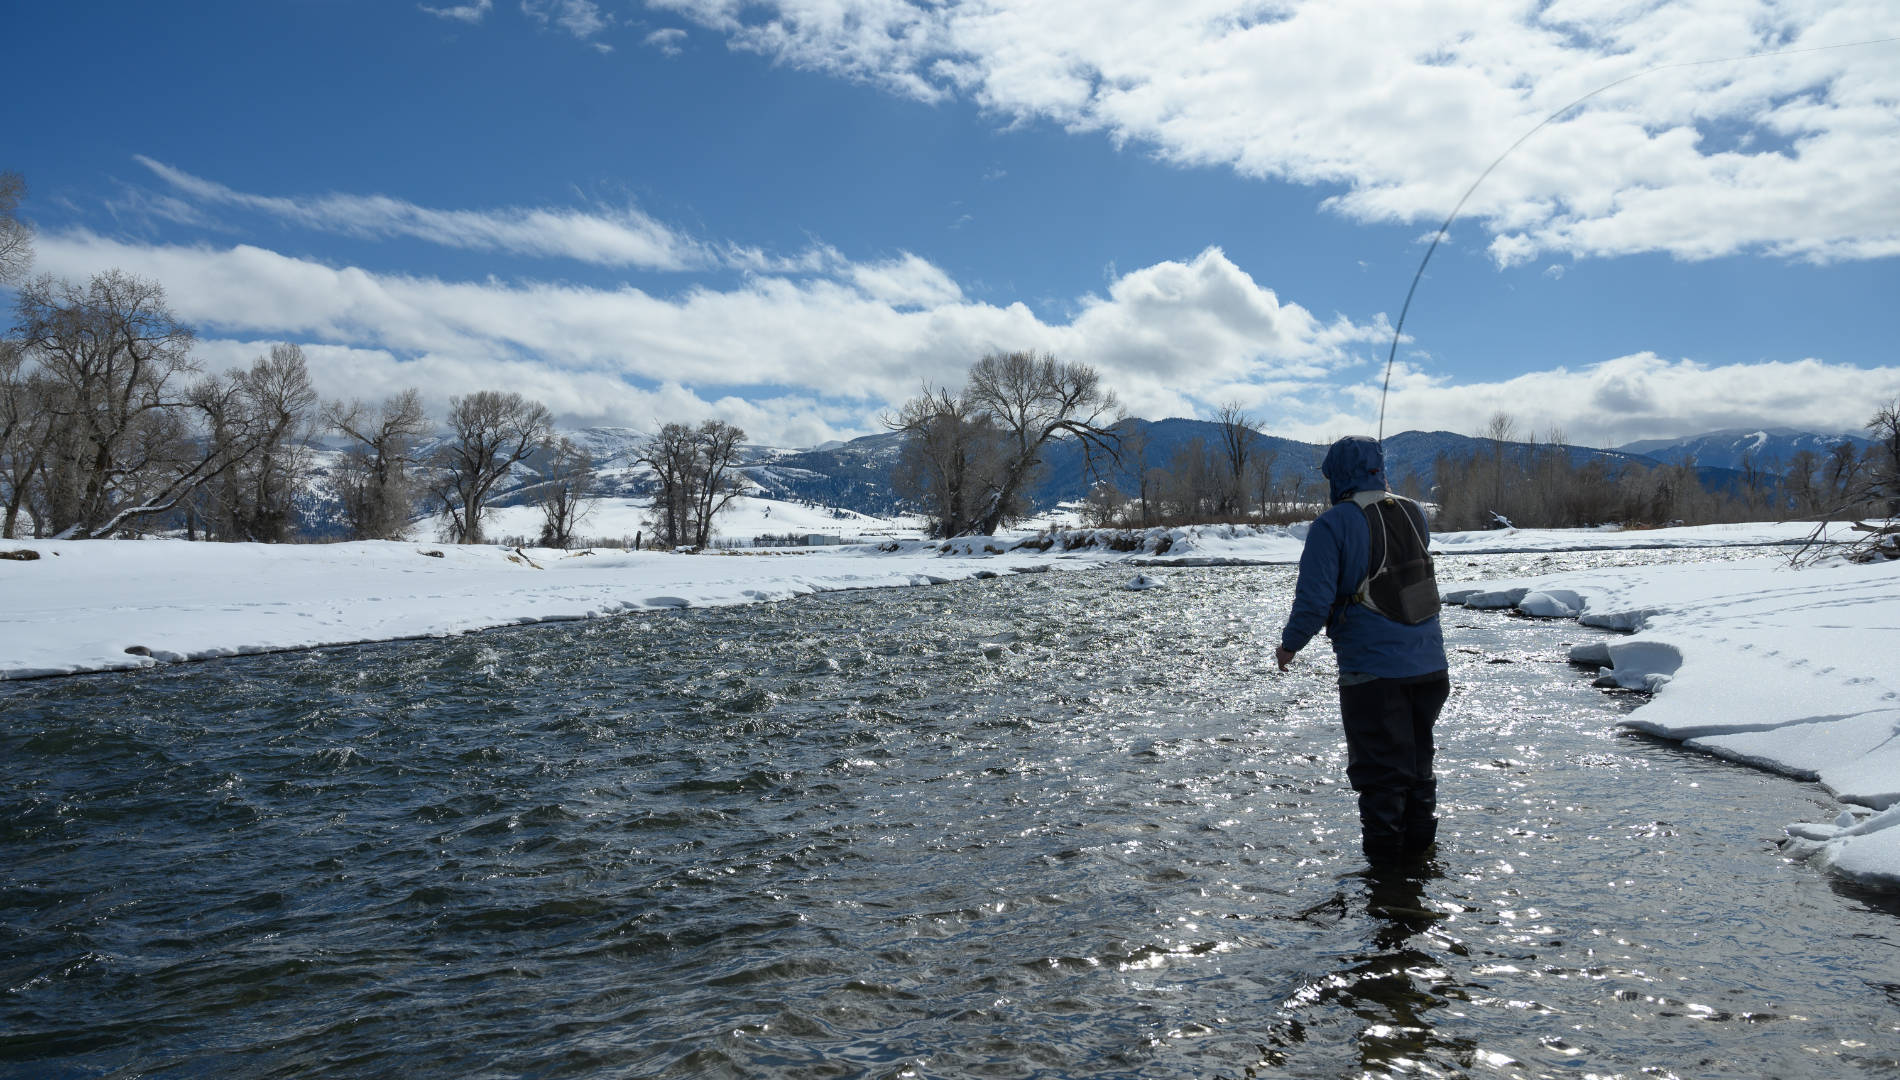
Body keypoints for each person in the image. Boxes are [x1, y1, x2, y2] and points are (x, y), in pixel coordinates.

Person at [1275, 435, 1449, 869]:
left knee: (1381, 780)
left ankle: (1387, 885)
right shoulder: (1414, 513)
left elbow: (1314, 602)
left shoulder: (1332, 524)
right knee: (1417, 771)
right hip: (1431, 668)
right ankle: (1420, 866)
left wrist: (1289, 646)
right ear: (1378, 469)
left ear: (1338, 477)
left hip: (1374, 674)